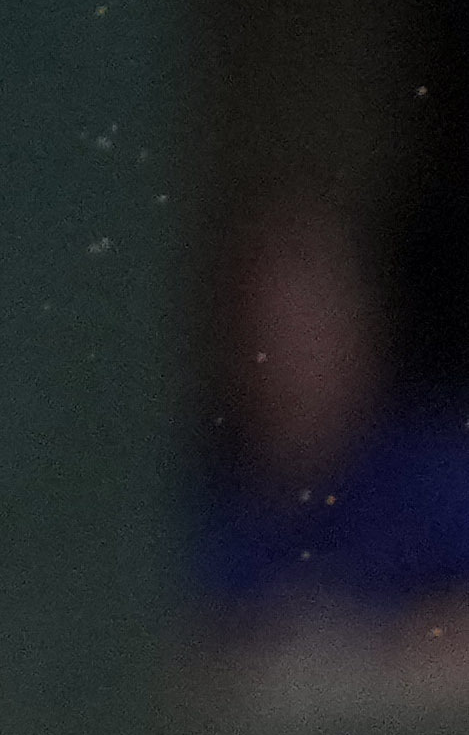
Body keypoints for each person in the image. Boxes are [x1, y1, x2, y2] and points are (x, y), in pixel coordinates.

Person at [198, 192, 469, 680]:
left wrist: (380, 657)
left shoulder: (441, 474)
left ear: (363, 325)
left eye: (313, 318)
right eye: (269, 323)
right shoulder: (199, 504)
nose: (291, 349)